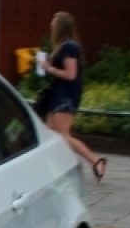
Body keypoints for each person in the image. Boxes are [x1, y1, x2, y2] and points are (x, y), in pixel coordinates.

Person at [41, 11, 106, 181]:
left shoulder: (69, 47)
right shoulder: (67, 46)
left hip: (66, 96)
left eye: (54, 26)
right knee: (50, 134)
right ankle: (61, 167)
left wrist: (49, 68)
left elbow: (71, 74)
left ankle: (95, 161)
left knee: (62, 135)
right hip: (60, 94)